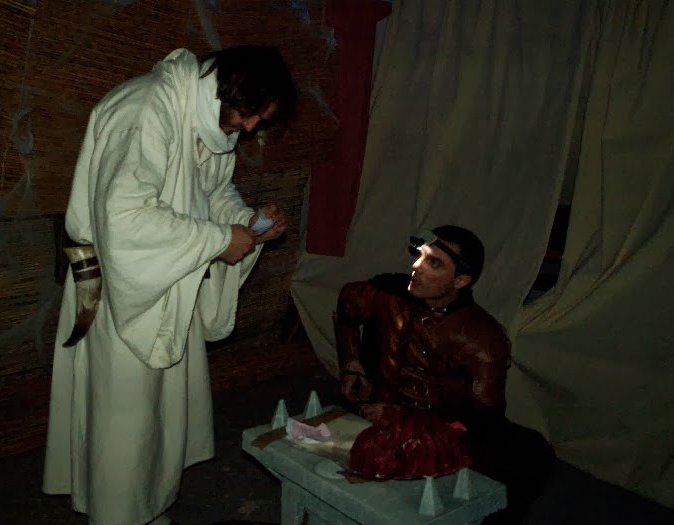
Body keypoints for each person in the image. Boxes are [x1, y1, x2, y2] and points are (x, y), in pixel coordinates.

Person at [42, 45, 296, 525]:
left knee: (155, 420)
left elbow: (211, 190)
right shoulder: (143, 110)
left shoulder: (206, 116)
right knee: (123, 422)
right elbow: (125, 218)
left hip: (170, 277)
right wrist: (218, 239)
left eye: (258, 120)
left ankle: (147, 508)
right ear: (226, 88)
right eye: (248, 114)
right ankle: (118, 516)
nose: (248, 128)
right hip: (121, 288)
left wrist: (245, 222)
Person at [335, 225, 554, 524]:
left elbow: (483, 422)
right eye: (420, 256)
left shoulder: (481, 338)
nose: (417, 266)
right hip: (373, 411)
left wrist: (402, 417)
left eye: (434, 263)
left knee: (530, 454)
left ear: (460, 280)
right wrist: (351, 364)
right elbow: (347, 305)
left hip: (439, 429)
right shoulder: (385, 295)